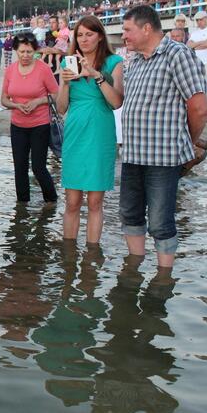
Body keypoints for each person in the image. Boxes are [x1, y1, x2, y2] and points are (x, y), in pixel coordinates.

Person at [120, 5, 207, 268]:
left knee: (160, 221)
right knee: (130, 215)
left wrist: (188, 140)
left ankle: (162, 278)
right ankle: (134, 269)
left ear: (147, 28)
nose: (124, 36)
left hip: (164, 155)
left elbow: (199, 107)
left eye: (127, 30)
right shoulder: (135, 60)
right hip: (133, 153)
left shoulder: (177, 55)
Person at [56, 16, 124, 245]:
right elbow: (61, 107)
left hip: (100, 132)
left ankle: (92, 254)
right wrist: (65, 83)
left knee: (95, 201)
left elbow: (116, 102)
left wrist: (95, 76)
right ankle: (69, 255)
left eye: (89, 34)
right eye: (80, 35)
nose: (84, 39)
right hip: (75, 131)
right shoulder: (67, 63)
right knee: (72, 201)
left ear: (100, 36)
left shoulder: (114, 62)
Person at [0, 33, 59, 204]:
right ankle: (22, 206)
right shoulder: (10, 70)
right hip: (17, 124)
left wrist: (38, 102)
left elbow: (56, 95)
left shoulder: (43, 69)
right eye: (22, 51)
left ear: (35, 51)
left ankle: (51, 201)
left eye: (29, 52)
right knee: (20, 168)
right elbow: (3, 99)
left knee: (38, 167)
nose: (25, 55)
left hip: (40, 124)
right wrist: (16, 105)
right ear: (16, 51)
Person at [188, 11, 207, 106]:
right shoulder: (195, 32)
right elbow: (189, 45)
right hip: (195, 63)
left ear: (206, 18)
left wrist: (195, 45)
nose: (199, 22)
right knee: (195, 89)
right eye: (197, 20)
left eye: (201, 20)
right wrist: (201, 43)